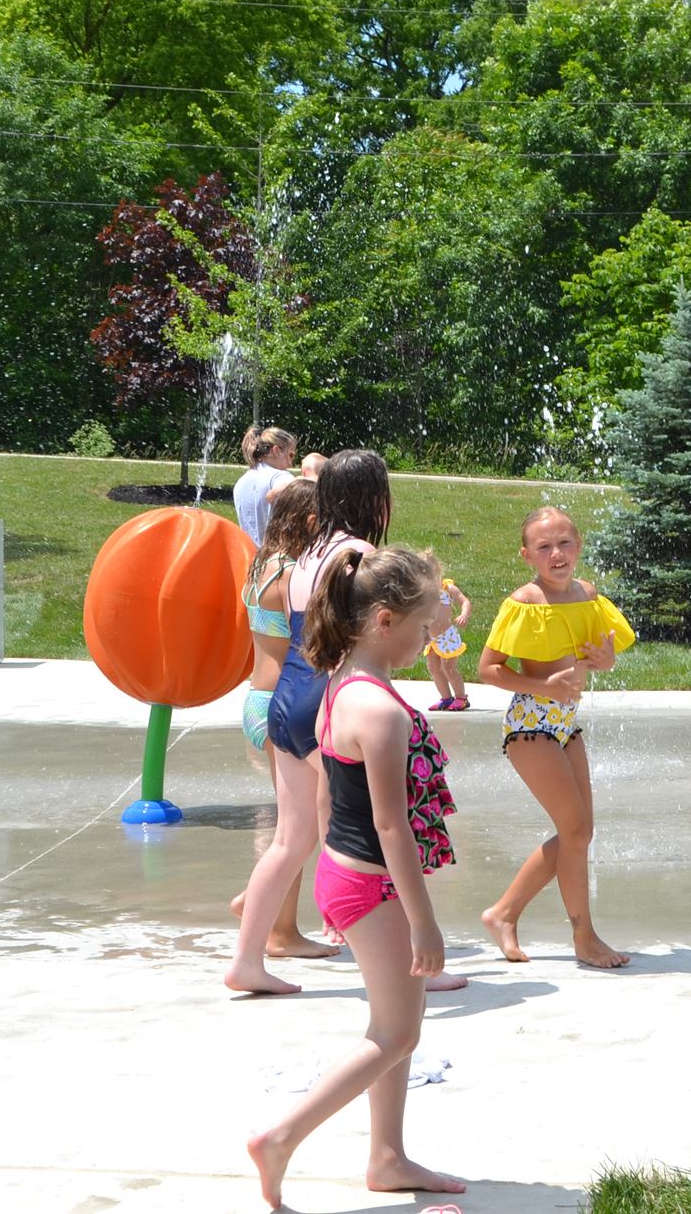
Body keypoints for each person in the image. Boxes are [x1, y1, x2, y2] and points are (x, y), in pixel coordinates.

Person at [245, 543, 465, 1210]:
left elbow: (324, 795)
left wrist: (329, 886)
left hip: (348, 874)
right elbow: (391, 826)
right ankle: (281, 1137)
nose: (428, 638)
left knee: (396, 1019)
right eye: (423, 625)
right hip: (373, 881)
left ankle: (387, 1155)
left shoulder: (340, 682)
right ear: (385, 621)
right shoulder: (380, 711)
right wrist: (425, 923)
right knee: (398, 1033)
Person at [225, 448, 391, 996]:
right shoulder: (360, 555)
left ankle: (246, 960)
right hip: (333, 703)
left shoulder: (303, 558)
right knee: (379, 832)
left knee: (290, 842)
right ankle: (409, 962)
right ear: (373, 498)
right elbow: (379, 633)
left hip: (287, 700)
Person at [475, 506, 633, 969]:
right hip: (530, 724)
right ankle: (584, 938)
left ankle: (503, 913)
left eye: (564, 543)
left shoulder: (588, 595)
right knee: (576, 830)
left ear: (578, 545)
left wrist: (605, 661)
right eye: (544, 547)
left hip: (566, 724)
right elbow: (488, 669)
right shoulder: (525, 602)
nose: (556, 553)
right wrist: (544, 686)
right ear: (527, 555)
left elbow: (601, 655)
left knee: (579, 832)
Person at [228, 478, 335, 964]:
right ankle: (281, 932)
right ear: (311, 522)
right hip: (282, 701)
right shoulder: (291, 574)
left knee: (297, 826)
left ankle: (256, 901)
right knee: (297, 831)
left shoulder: (261, 565)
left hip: (259, 698)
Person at [232, 425, 299, 547]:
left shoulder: (241, 482)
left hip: (249, 555)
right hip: (276, 555)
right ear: (276, 450)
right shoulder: (280, 477)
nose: (290, 463)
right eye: (290, 455)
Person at [424, 576, 473, 712]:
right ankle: (446, 698)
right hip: (432, 638)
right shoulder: (422, 590)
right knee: (433, 668)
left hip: (447, 637)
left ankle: (461, 698)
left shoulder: (447, 588)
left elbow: (465, 602)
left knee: (448, 668)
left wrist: (464, 615)